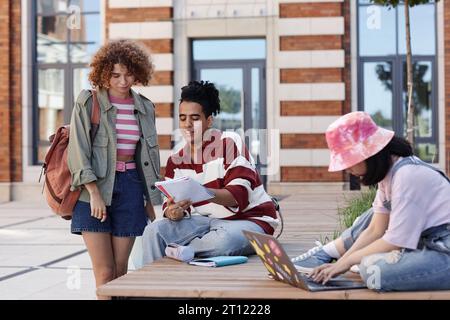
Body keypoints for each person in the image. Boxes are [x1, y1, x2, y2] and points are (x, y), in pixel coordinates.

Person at [292, 111, 450, 292]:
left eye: (349, 161)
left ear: (369, 154)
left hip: (444, 252)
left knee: (372, 270)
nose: (348, 169)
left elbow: (394, 241)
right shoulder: (390, 174)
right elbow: (375, 230)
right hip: (428, 246)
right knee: (368, 261)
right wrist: (340, 263)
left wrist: (348, 262)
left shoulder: (407, 176)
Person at [141, 80, 279, 265]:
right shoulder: (176, 159)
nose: (188, 124)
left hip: (249, 221)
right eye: (183, 118)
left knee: (225, 239)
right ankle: (151, 286)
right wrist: (174, 212)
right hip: (206, 224)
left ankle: (183, 251)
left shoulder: (229, 142)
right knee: (153, 231)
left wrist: (200, 191)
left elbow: (238, 196)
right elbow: (170, 205)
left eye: (195, 118)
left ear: (209, 120)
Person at [67, 40, 162, 299]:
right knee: (105, 273)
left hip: (131, 187)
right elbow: (78, 151)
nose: (122, 81)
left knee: (121, 272)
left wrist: (152, 199)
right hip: (93, 192)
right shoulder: (88, 102)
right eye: (115, 74)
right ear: (104, 73)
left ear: (138, 73)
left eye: (129, 74)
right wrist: (94, 192)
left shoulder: (145, 107)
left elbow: (150, 158)